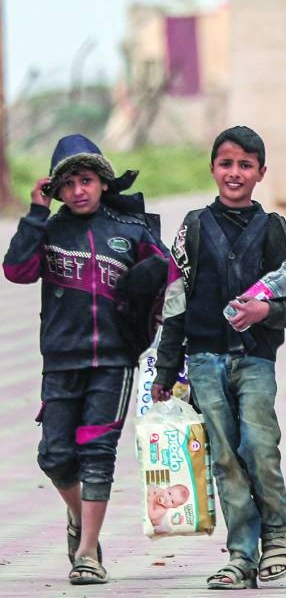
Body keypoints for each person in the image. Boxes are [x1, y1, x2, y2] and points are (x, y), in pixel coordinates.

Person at [3, 134, 167, 585]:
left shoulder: (130, 231)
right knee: (55, 457)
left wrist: (161, 333)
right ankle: (78, 517)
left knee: (97, 453)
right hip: (60, 361)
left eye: (87, 180)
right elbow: (16, 270)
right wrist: (36, 213)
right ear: (56, 189)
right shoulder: (50, 230)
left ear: (103, 183)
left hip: (114, 363)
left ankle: (89, 552)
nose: (79, 190)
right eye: (69, 182)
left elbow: (170, 278)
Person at [150, 125, 286, 590]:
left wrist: (266, 311)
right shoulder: (194, 227)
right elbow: (175, 299)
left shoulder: (274, 229)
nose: (234, 173)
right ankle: (241, 554)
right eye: (226, 163)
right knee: (224, 457)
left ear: (261, 172)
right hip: (202, 360)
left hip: (256, 361)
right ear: (213, 168)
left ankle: (276, 535)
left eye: (245, 165)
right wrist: (165, 369)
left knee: (259, 448)